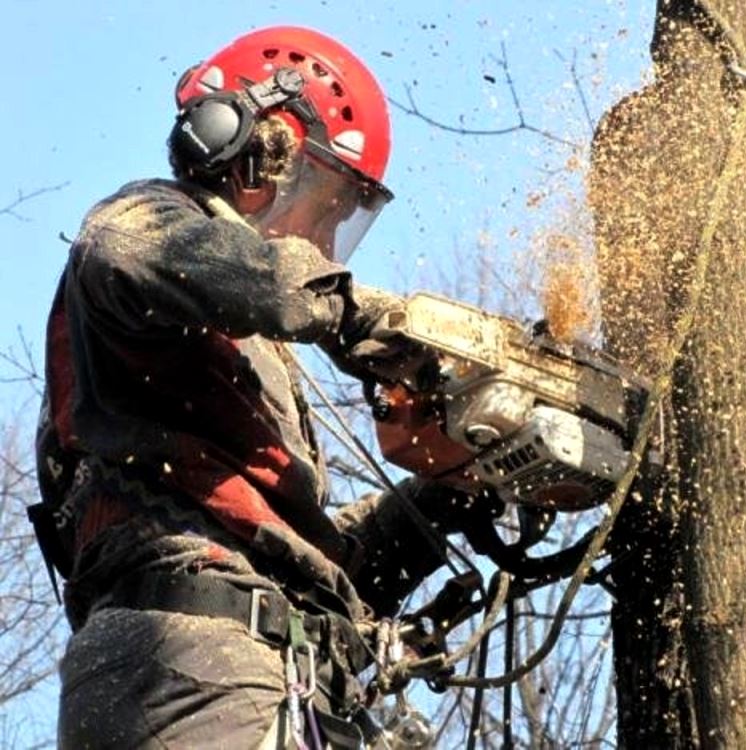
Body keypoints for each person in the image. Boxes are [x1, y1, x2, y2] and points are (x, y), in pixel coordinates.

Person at [31, 25, 478, 749]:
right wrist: (370, 322)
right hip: (183, 661)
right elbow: (127, 251)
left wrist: (453, 489)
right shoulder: (144, 227)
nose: (320, 241)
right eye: (324, 204)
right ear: (255, 149)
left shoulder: (239, 352)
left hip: (264, 666)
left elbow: (307, 560)